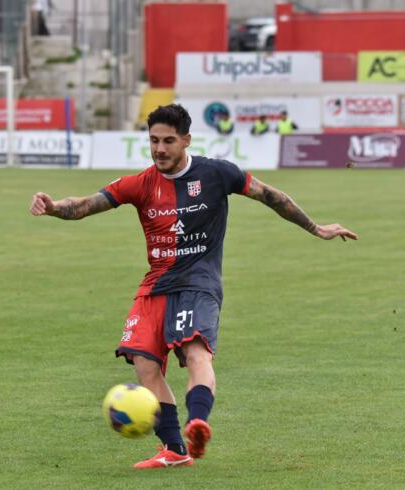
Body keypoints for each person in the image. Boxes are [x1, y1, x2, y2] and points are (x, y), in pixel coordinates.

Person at [29, 104, 357, 469]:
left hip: (200, 282)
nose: (160, 149)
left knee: (196, 350)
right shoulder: (139, 183)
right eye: (153, 140)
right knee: (143, 363)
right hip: (155, 284)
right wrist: (55, 207)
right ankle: (174, 450)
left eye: (169, 141)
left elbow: (271, 196)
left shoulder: (217, 174)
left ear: (186, 140)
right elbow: (89, 204)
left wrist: (316, 228)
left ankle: (198, 421)